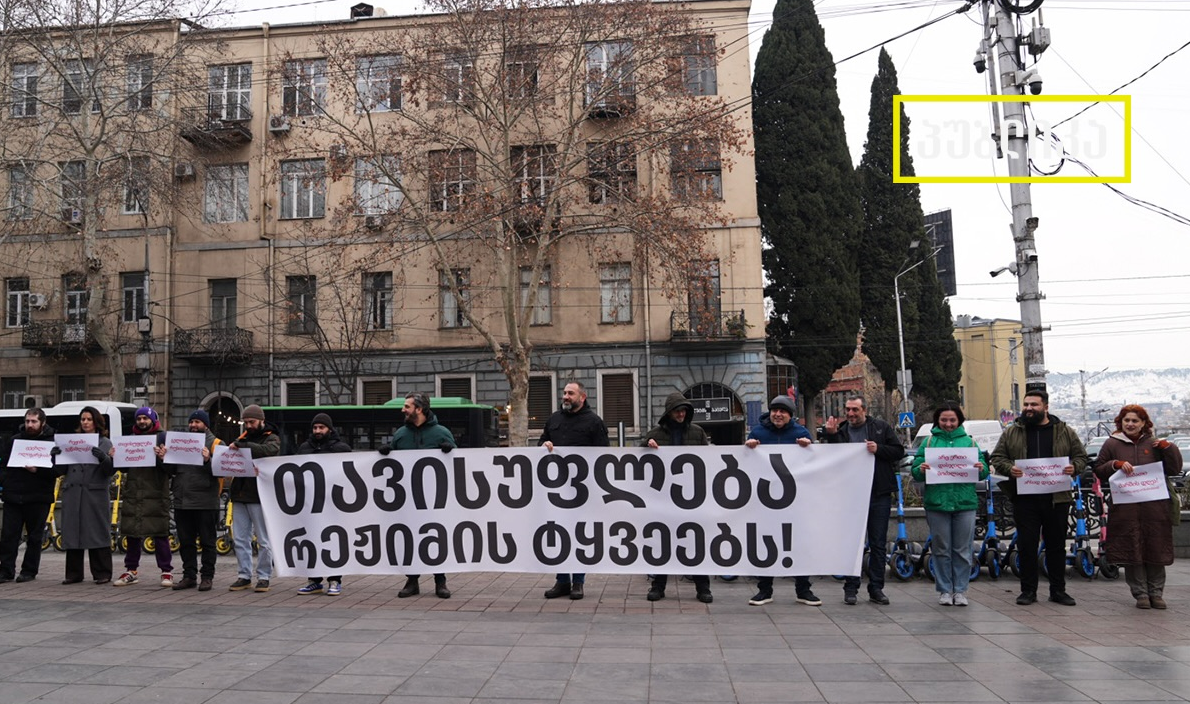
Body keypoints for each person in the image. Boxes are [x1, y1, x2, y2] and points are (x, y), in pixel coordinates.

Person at [990, 389, 1087, 607]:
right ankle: (1028, 591)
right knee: (1027, 545)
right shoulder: (1012, 432)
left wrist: (1075, 468)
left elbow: (1081, 457)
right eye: (1026, 405)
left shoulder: (1064, 432)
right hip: (1025, 498)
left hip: (1056, 497)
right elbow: (998, 457)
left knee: (1056, 546)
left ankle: (1058, 590)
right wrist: (1009, 468)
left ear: (1045, 407)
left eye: (1034, 405)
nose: (1028, 409)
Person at [1092, 405, 1183, 609]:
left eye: (1135, 421)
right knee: (1132, 549)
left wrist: (1169, 449)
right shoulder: (1112, 444)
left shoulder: (1155, 444)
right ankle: (1140, 593)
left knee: (1156, 549)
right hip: (1126, 508)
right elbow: (1099, 468)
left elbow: (1173, 468)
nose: (1130, 424)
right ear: (1120, 422)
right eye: (1127, 420)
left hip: (1154, 508)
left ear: (1143, 423)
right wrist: (1114, 464)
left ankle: (1156, 593)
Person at [823, 395, 905, 605]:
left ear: (864, 410)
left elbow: (898, 451)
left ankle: (876, 588)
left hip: (878, 494)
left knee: (878, 544)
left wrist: (879, 449)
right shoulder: (840, 431)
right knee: (853, 543)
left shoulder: (881, 427)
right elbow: (832, 459)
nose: (850, 414)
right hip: (850, 496)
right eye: (848, 410)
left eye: (855, 410)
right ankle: (850, 588)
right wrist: (830, 436)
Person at [910, 402, 988, 607]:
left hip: (964, 503)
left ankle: (960, 590)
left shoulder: (970, 443)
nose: (948, 423)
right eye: (944, 420)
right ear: (938, 420)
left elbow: (984, 469)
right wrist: (921, 468)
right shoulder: (929, 442)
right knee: (942, 549)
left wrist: (982, 467)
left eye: (952, 420)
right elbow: (916, 470)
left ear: (959, 421)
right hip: (937, 503)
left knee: (963, 550)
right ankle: (945, 590)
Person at [743, 395, 819, 607]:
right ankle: (764, 590)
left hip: (794, 502)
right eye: (775, 410)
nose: (777, 414)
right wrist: (748, 449)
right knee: (767, 544)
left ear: (790, 415)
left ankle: (803, 590)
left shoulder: (801, 434)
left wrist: (809, 448)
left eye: (782, 411)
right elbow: (746, 465)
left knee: (798, 544)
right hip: (765, 500)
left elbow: (814, 464)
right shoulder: (758, 433)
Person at [378, 393, 457, 598]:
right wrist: (387, 452)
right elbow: (392, 463)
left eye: (407, 406)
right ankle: (412, 580)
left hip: (434, 498)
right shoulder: (401, 434)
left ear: (419, 409)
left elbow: (458, 463)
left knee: (436, 537)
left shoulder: (441, 433)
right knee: (410, 539)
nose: (403, 410)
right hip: (408, 498)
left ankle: (440, 580)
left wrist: (450, 451)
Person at [538, 380, 609, 600]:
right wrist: (544, 446)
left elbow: (603, 457)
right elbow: (541, 442)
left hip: (582, 491)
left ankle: (578, 582)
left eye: (570, 393)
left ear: (582, 397)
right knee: (559, 534)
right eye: (564, 393)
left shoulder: (594, 422)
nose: (566, 397)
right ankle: (562, 581)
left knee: (579, 536)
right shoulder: (554, 419)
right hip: (556, 489)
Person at [642, 392, 713, 604]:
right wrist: (647, 445)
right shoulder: (654, 434)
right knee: (663, 543)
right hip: (663, 497)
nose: (681, 414)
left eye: (684, 410)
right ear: (669, 412)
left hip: (691, 498)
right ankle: (658, 586)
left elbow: (708, 460)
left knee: (694, 543)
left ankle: (703, 588)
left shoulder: (697, 432)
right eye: (677, 410)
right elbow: (637, 460)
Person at [159, 410, 222, 592]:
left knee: (208, 542)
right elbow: (171, 470)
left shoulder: (216, 443)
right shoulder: (180, 443)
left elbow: (222, 472)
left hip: (205, 502)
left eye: (197, 422)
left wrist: (207, 460)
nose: (193, 425)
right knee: (186, 542)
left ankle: (207, 577)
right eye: (191, 422)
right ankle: (189, 576)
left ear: (206, 425)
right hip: (182, 501)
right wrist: (164, 458)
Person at [114, 407, 175, 588]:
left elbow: (172, 471)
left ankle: (166, 571)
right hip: (134, 492)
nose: (141, 421)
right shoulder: (130, 439)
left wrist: (163, 458)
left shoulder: (163, 438)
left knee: (160, 533)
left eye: (145, 418)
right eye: (139, 418)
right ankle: (131, 570)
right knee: (132, 532)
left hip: (156, 493)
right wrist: (115, 457)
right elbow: (124, 468)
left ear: (153, 419)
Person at [56, 406, 117, 584]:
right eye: (83, 419)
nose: (85, 422)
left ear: (96, 422)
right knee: (73, 531)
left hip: (94, 493)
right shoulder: (71, 442)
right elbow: (60, 470)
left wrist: (103, 458)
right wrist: (55, 457)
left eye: (89, 419)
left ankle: (102, 573)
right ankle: (73, 574)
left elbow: (110, 471)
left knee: (97, 531)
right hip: (74, 492)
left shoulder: (105, 443)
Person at [296, 413, 353, 596]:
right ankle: (314, 580)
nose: (318, 431)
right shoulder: (304, 448)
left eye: (321, 427)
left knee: (334, 541)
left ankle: (335, 579)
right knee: (312, 540)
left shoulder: (341, 449)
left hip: (334, 503)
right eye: (315, 428)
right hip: (311, 504)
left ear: (329, 429)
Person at [227, 404, 280, 593]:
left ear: (261, 421)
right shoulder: (242, 438)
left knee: (263, 540)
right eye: (246, 422)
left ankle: (264, 576)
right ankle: (244, 575)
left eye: (252, 422)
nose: (248, 425)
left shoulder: (271, 438)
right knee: (241, 538)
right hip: (240, 494)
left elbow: (268, 451)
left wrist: (243, 446)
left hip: (259, 496)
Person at [0, 408, 58, 583]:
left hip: (38, 497)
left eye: (33, 421)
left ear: (43, 423)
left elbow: (57, 471)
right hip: (14, 496)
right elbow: (4, 464)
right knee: (9, 536)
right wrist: (5, 482)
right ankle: (5, 570)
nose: (30, 425)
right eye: (27, 421)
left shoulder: (52, 443)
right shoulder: (15, 440)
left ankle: (29, 571)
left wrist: (37, 470)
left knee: (34, 537)